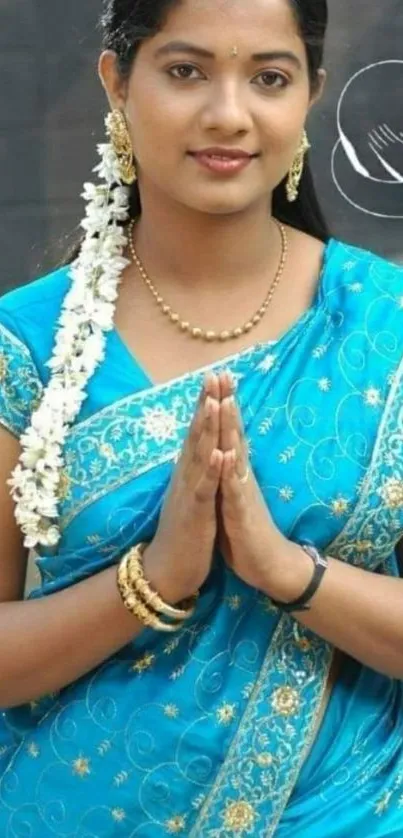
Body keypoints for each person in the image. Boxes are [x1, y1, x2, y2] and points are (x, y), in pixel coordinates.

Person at [0, 0, 403, 834]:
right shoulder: (22, 346)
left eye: (268, 77)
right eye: (185, 71)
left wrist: (287, 573)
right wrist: (155, 578)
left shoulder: (385, 325)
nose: (228, 113)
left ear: (310, 95)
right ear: (118, 82)